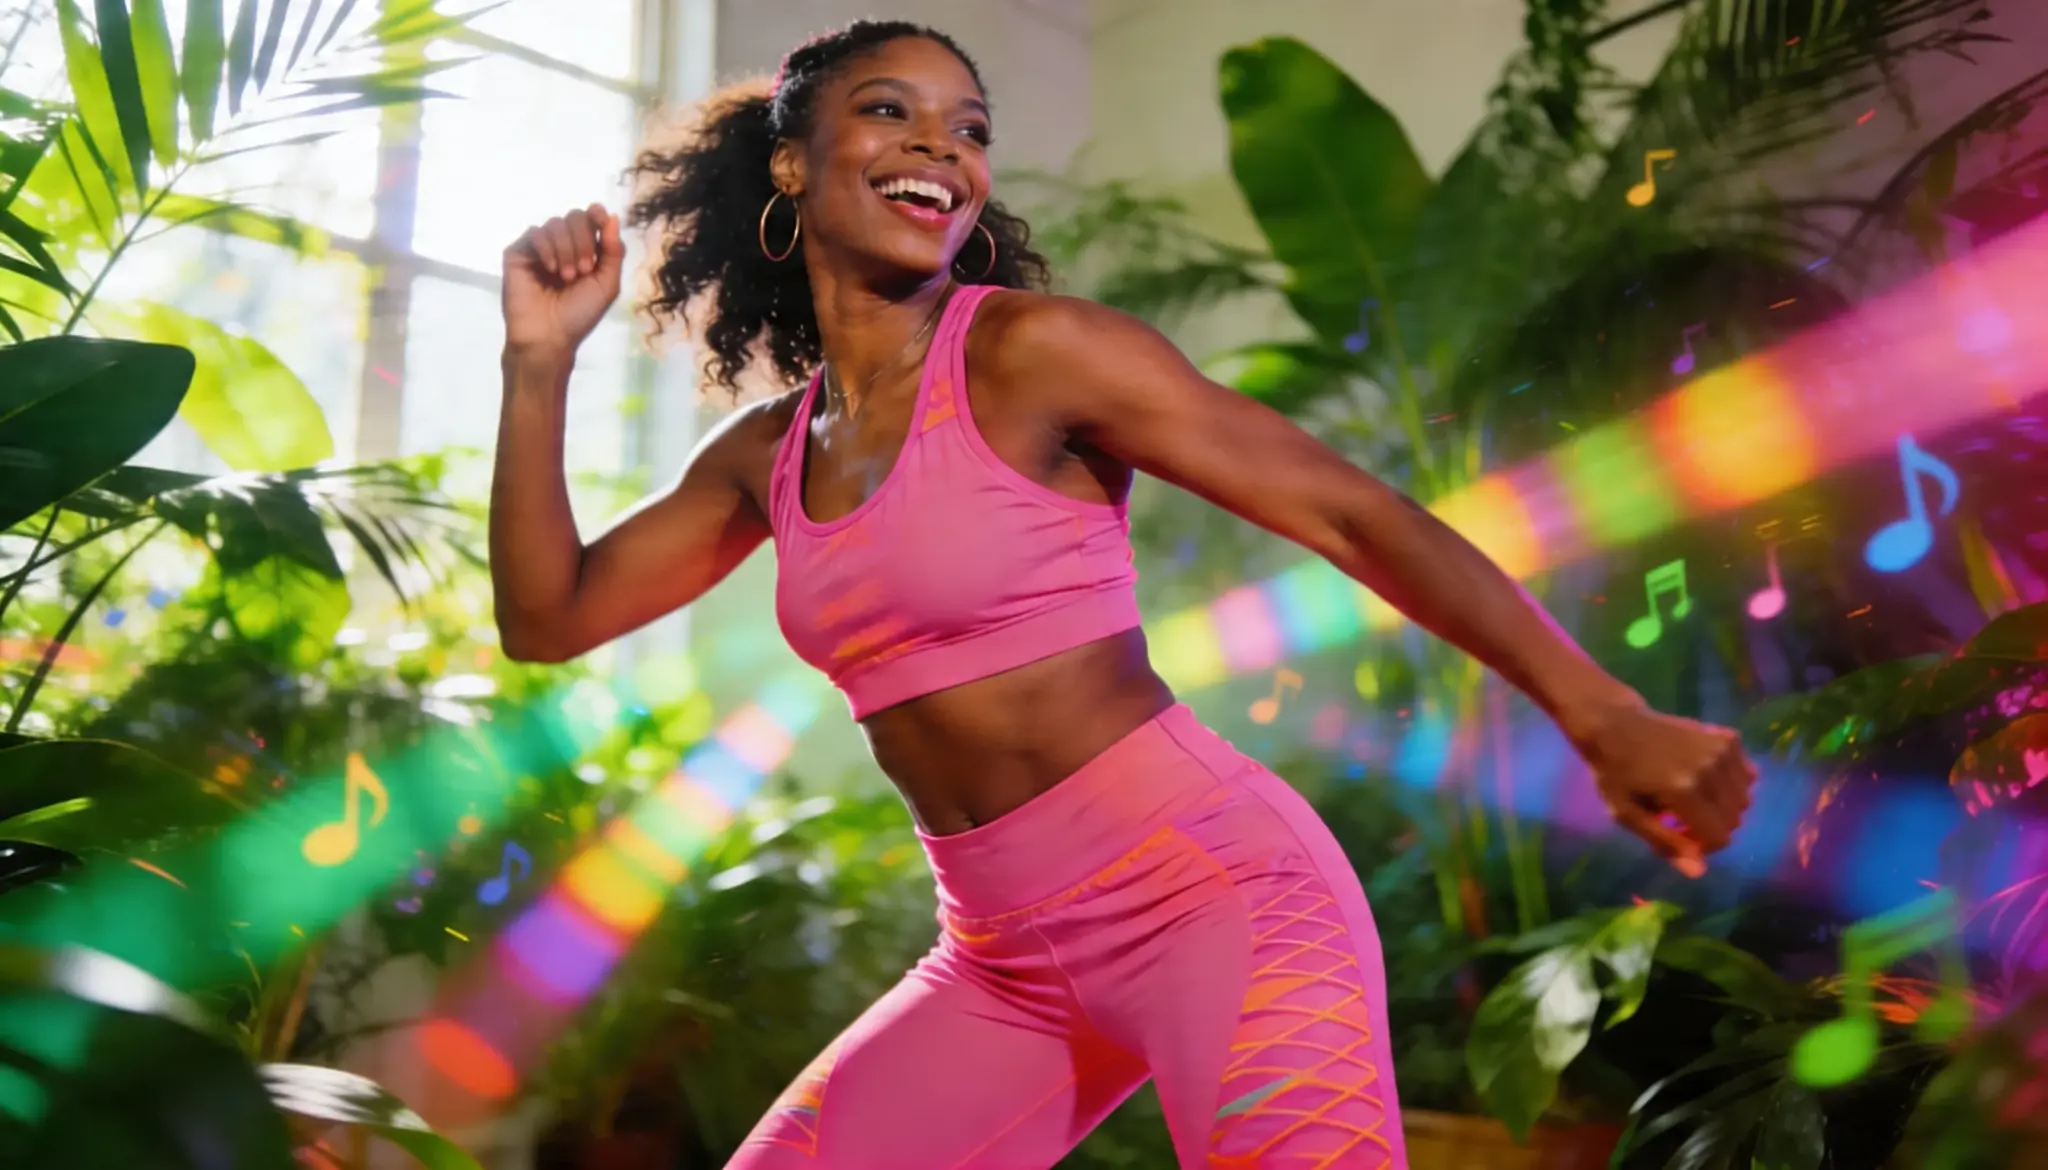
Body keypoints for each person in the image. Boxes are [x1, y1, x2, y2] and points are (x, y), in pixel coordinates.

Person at [490, 20, 1757, 1170]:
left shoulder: (1035, 356)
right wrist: (538, 364)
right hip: (993, 960)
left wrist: (1596, 712)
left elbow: (1348, 511)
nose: (940, 144)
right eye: (890, 112)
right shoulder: (765, 455)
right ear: (788, 164)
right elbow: (549, 620)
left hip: (1217, 898)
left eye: (969, 128)